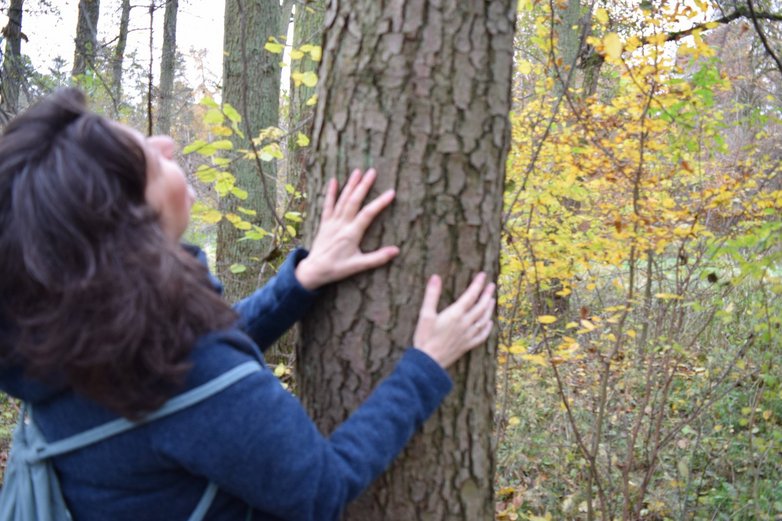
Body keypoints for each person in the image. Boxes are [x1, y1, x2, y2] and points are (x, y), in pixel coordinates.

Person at [0, 88, 495, 520]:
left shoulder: (66, 342)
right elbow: (321, 492)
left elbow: (178, 376)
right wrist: (424, 367)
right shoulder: (189, 376)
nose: (167, 143)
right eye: (152, 160)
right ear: (134, 224)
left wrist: (301, 280)